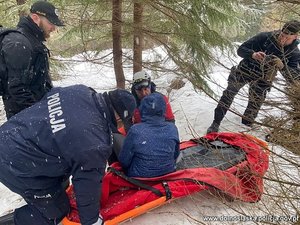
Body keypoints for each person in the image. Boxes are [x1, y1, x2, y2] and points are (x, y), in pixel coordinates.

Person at [0, 84, 136, 225]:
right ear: (119, 116)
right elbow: (87, 184)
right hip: (15, 163)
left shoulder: (80, 91)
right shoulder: (94, 142)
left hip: (11, 134)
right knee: (57, 212)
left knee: (60, 184)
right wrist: (92, 221)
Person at [207, 20, 300, 134]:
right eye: (282, 35)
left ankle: (246, 127)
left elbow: (293, 78)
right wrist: (253, 54)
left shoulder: (294, 53)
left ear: (295, 37)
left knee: (255, 103)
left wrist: (281, 66)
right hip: (246, 69)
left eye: (287, 38)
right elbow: (240, 50)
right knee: (229, 93)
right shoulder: (265, 37)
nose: (282, 39)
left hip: (264, 78)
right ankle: (216, 122)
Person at [1, 1, 64, 119]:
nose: (53, 28)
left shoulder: (32, 41)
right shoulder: (19, 43)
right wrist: (38, 116)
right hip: (25, 120)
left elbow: (40, 83)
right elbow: (17, 89)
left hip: (37, 113)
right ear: (35, 18)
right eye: (50, 23)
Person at [119, 93, 180, 178]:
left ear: (142, 109)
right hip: (167, 173)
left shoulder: (135, 130)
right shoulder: (172, 128)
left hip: (140, 178)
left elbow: (124, 160)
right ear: (163, 109)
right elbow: (176, 154)